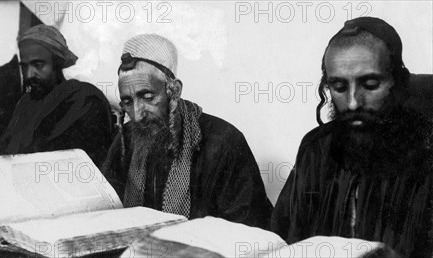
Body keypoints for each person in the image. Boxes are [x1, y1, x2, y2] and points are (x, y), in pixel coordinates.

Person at [271, 17, 433, 257]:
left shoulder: (426, 154)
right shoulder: (316, 149)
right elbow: (284, 242)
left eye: (369, 84)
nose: (353, 102)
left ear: (397, 83)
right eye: (339, 87)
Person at [102, 34, 273, 229]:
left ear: (174, 91)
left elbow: (247, 233)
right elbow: (107, 214)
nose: (138, 114)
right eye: (127, 102)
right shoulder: (125, 141)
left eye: (148, 97)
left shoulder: (222, 141)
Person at [0, 25, 113, 167]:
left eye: (38, 65)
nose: (29, 75)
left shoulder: (83, 97)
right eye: (24, 66)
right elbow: (0, 149)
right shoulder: (26, 103)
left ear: (57, 64)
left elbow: (55, 157)